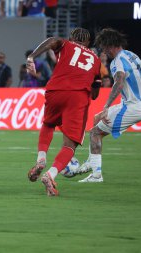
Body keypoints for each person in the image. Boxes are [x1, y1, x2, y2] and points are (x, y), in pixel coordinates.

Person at [26, 28, 102, 196]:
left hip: (55, 90)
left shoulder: (65, 45)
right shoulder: (96, 60)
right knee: (70, 144)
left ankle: (41, 159)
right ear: (88, 43)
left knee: (48, 123)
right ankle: (50, 174)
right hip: (77, 97)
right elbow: (95, 94)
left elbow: (52, 40)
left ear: (71, 38)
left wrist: (32, 56)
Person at [76, 28, 141, 183]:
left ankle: (96, 174)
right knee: (96, 121)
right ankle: (92, 161)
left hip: (132, 107)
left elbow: (119, 82)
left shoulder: (117, 62)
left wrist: (106, 107)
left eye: (104, 47)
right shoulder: (133, 56)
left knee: (95, 133)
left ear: (110, 45)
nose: (104, 51)